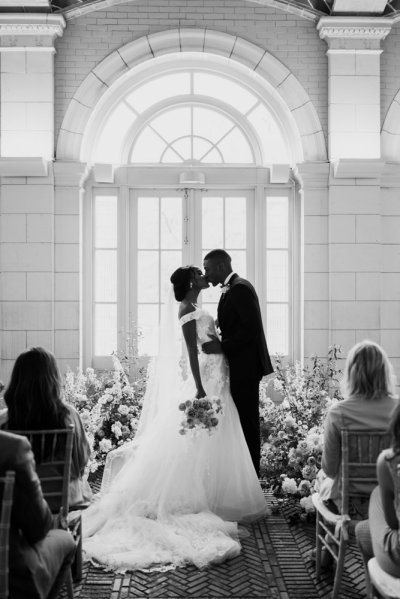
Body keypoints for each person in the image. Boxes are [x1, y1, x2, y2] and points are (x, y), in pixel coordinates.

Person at [82, 266, 268, 573]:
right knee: (199, 437)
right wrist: (197, 386)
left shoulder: (197, 306)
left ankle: (215, 493)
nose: (204, 274)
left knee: (215, 436)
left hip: (220, 374)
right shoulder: (186, 310)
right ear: (192, 281)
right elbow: (192, 353)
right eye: (199, 272)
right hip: (207, 379)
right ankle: (196, 495)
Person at [202, 249, 273, 476]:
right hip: (239, 365)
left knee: (248, 422)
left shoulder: (240, 288)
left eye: (208, 269)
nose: (207, 274)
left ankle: (252, 475)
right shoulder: (230, 289)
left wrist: (221, 346)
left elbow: (250, 329)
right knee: (240, 421)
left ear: (221, 267)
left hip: (247, 367)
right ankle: (242, 474)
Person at [0, 346, 91, 507]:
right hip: (61, 501)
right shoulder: (70, 416)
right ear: (54, 379)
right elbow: (81, 462)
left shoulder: (3, 421)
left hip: (16, 505)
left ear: (16, 380)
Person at [317, 340, 397, 517]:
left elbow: (329, 469)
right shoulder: (397, 409)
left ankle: (336, 536)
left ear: (352, 374)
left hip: (351, 505)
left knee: (321, 479)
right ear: (385, 372)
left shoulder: (338, 413)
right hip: (393, 503)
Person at [0, 429, 76, 599]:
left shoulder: (5, 424)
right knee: (67, 540)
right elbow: (38, 528)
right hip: (9, 574)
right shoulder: (11, 447)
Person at [356, 401, 400, 581]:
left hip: (397, 556)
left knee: (376, 494)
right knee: (362, 530)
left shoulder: (390, 460)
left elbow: (393, 523)